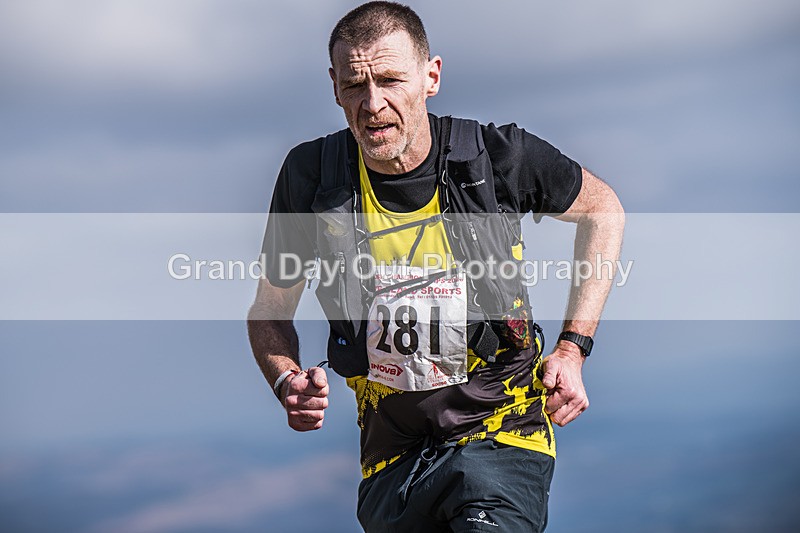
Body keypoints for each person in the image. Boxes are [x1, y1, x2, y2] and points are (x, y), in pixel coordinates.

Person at [247, 2, 624, 531]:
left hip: (501, 433)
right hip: (390, 457)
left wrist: (572, 346)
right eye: (355, 85)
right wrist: (287, 381)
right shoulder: (312, 176)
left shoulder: (495, 157)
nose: (373, 103)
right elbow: (268, 311)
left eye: (390, 79)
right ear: (334, 87)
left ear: (431, 76)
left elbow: (603, 209)